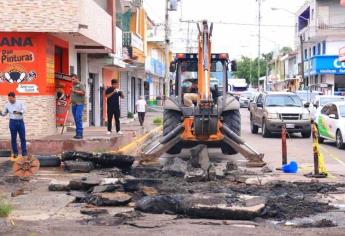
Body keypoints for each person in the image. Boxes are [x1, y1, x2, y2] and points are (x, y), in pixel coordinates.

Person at [0, 92, 27, 159]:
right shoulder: (7, 105)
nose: (10, 100)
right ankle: (15, 153)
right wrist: (0, 112)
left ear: (14, 97)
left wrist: (19, 112)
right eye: (9, 99)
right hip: (12, 122)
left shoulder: (20, 102)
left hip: (20, 121)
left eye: (11, 99)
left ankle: (24, 153)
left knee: (22, 138)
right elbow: (4, 114)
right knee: (13, 138)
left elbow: (24, 109)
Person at [71, 74, 85, 139]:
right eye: (71, 79)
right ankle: (77, 133)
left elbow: (83, 92)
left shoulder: (81, 84)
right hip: (73, 104)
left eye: (73, 79)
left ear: (77, 78)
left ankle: (80, 133)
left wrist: (75, 91)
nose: (72, 80)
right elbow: (73, 94)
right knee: (76, 119)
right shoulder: (73, 85)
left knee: (78, 118)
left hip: (79, 104)